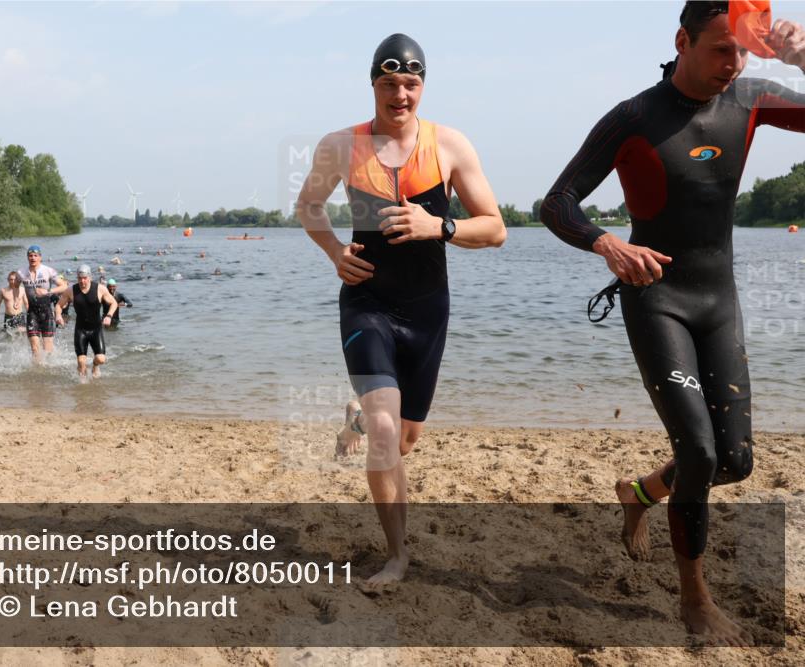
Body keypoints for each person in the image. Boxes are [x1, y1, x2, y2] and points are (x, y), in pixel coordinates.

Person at [539, 2, 804, 646]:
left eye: (740, 50)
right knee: (699, 448)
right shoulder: (636, 117)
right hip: (656, 297)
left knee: (734, 461)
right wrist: (608, 245)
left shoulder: (752, 97)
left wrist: (800, 58)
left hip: (719, 300)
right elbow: (557, 201)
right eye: (719, 49)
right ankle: (695, 599)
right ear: (682, 40)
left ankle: (637, 493)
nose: (731, 64)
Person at [296, 33, 505, 589]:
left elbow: (497, 229)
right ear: (373, 85)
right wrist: (335, 251)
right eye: (389, 84)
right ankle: (397, 556)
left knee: (403, 437)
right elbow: (308, 206)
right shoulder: (340, 146)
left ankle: (357, 419)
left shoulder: (451, 145)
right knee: (388, 432)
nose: (400, 95)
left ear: (422, 87)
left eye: (410, 84)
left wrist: (440, 226)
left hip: (427, 310)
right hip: (366, 302)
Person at [55, 265, 117, 382]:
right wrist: (58, 315)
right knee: (81, 362)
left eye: (84, 278)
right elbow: (58, 305)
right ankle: (82, 390)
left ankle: (95, 366)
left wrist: (108, 316)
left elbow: (114, 303)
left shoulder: (100, 289)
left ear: (90, 277)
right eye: (79, 278)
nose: (82, 281)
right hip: (81, 330)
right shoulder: (71, 290)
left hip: (96, 330)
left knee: (101, 359)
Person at [18, 245, 69, 361]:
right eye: (30, 256)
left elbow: (64, 286)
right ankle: (37, 372)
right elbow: (15, 287)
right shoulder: (21, 272)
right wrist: (17, 301)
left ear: (40, 257)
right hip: (32, 312)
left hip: (47, 311)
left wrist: (48, 291)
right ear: (27, 258)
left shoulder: (48, 270)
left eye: (35, 256)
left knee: (48, 351)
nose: (33, 258)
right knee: (35, 350)